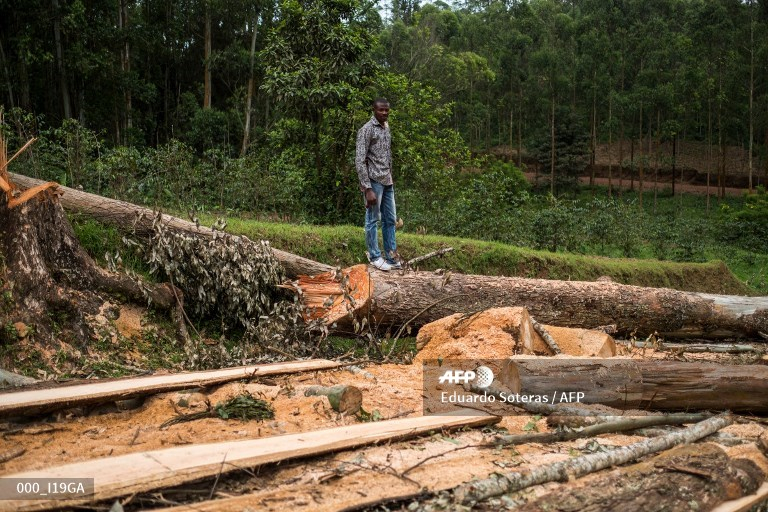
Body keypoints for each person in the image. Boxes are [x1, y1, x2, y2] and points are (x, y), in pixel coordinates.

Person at [356, 98, 401, 271]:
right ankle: (375, 256)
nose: (384, 113)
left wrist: (390, 174)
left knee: (390, 219)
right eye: (381, 110)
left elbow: (387, 154)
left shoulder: (386, 127)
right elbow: (360, 160)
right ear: (374, 110)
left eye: (386, 110)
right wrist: (367, 188)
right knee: (372, 219)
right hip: (373, 181)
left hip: (387, 180)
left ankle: (391, 256)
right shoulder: (366, 130)